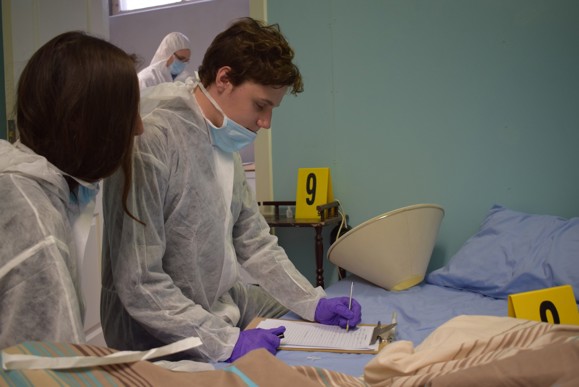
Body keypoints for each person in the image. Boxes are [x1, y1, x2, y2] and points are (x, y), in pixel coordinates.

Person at [101, 17, 362, 363]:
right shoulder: (152, 140)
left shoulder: (222, 141)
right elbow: (140, 284)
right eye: (261, 105)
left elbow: (254, 241)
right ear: (224, 78)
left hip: (214, 311)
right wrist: (224, 341)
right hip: (157, 339)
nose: (266, 122)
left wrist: (312, 302)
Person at [0, 31, 143, 348]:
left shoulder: (18, 182)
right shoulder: (35, 225)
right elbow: (48, 371)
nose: (138, 127)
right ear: (79, 120)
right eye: (128, 113)